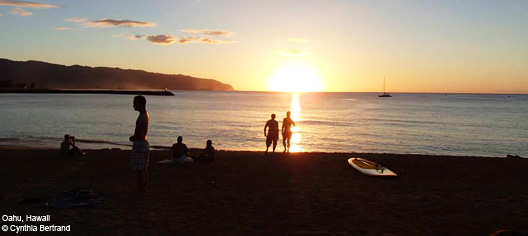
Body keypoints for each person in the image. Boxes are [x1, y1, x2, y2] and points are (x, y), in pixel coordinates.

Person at [129, 95, 150, 194]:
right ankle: (143, 188)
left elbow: (138, 133)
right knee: (143, 168)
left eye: (135, 103)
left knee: (139, 168)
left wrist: (132, 138)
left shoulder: (142, 116)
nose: (133, 105)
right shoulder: (145, 115)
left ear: (141, 104)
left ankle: (141, 188)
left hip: (140, 143)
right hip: (143, 143)